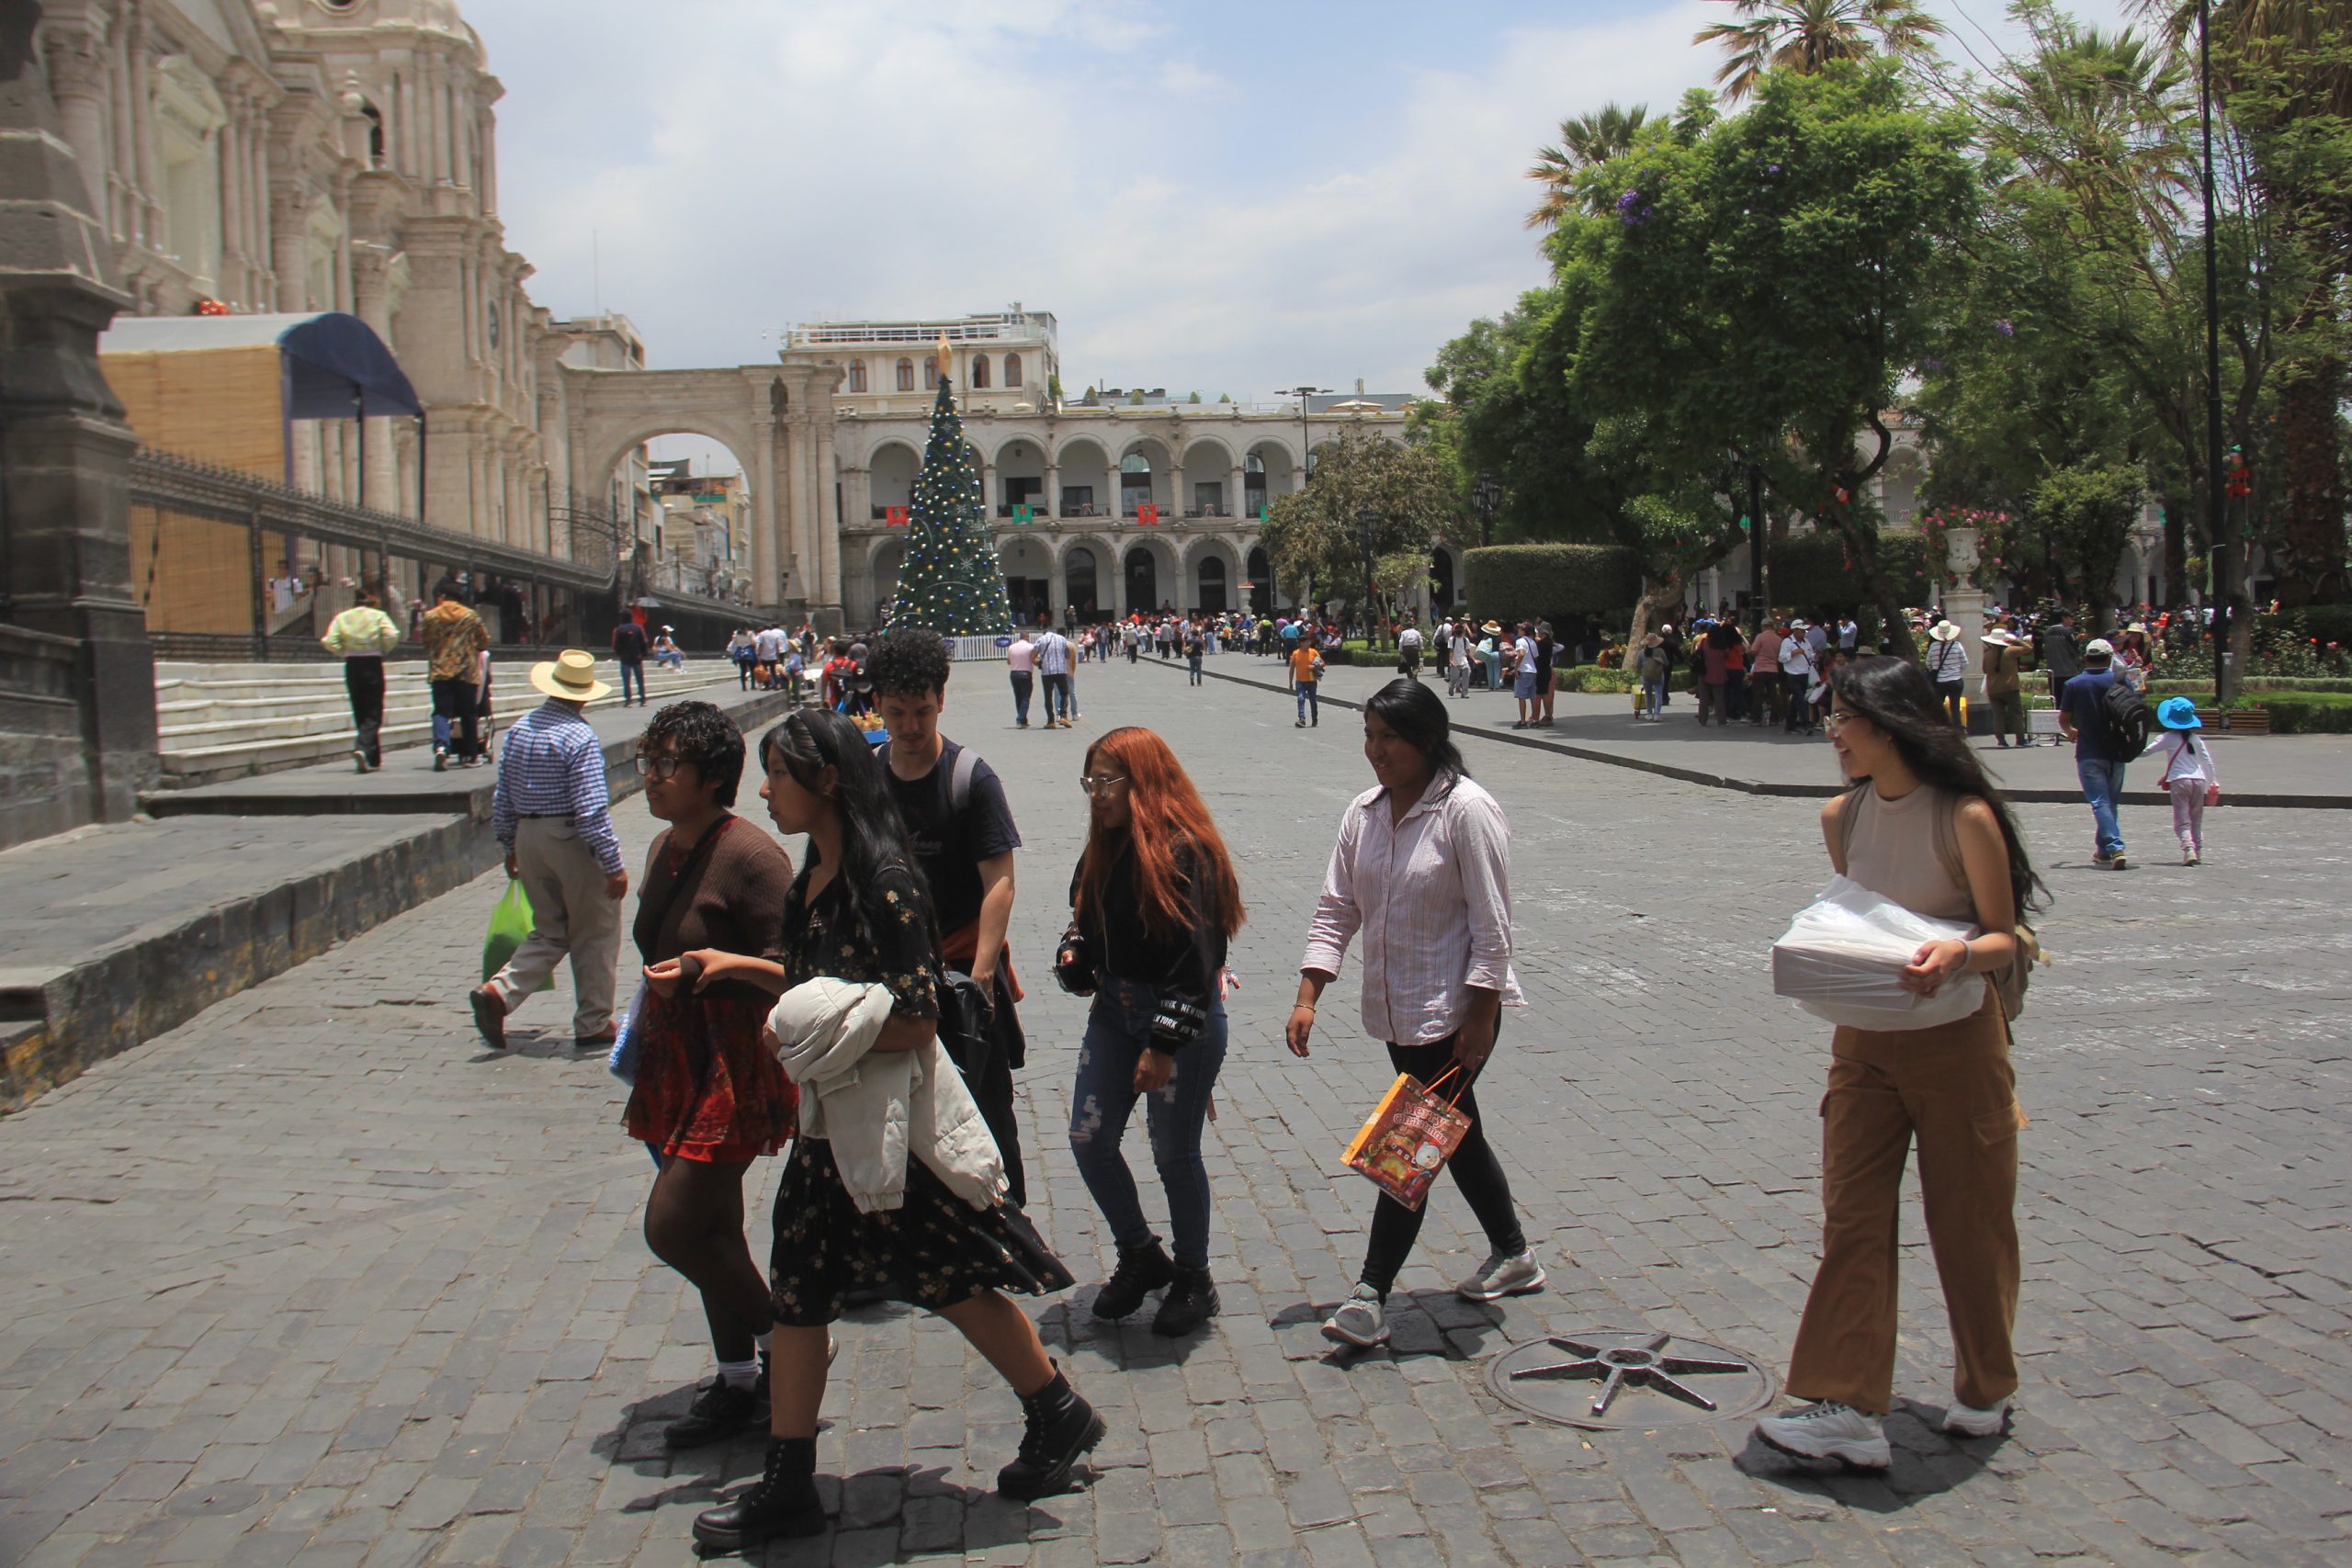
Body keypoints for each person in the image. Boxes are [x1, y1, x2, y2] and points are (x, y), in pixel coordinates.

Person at [686, 710, 1096, 1552]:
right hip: (830, 1126)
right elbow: (815, 982)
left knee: (951, 1277)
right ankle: (790, 1479)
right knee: (800, 1289)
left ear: (826, 780)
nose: (765, 791)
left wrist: (816, 1020)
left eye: (778, 774)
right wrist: (736, 971)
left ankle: (1058, 1410)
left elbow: (918, 1014)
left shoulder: (887, 881)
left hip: (886, 1129)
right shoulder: (811, 880)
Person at [1752, 656, 2042, 1469]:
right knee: (1852, 1217)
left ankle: (1985, 1387)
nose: (1832, 733)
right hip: (1865, 1041)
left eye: (1843, 719)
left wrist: (1956, 953)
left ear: (1889, 724)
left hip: (1958, 1040)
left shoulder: (1966, 816)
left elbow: (2003, 933)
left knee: (1970, 1218)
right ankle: (1847, 1406)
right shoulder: (1841, 818)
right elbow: (1861, 917)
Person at [1289, 680, 1544, 1348]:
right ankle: (1514, 1253)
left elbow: (1493, 925)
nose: (1374, 751)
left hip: (1456, 1015)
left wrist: (1482, 1017)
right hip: (1398, 1015)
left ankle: (1369, 1294)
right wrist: (1309, 993)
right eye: (1368, 737)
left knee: (1408, 1144)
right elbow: (1336, 907)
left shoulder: (1467, 810)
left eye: (1388, 738)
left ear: (1428, 739)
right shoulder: (1364, 813)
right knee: (1456, 1136)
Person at [625, 702, 798, 1449]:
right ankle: (739, 1381)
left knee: (671, 1226)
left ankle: (784, 1342)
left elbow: (800, 971)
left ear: (712, 776)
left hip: (732, 1060)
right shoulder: (666, 847)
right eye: (649, 761)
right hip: (675, 1055)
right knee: (714, 1227)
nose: (652, 777)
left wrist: (712, 966)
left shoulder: (754, 857)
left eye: (667, 765)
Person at [1061, 728, 1244, 1337]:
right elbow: (1083, 921)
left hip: (1180, 1017)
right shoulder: (1103, 848)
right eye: (1091, 782)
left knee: (1172, 1150)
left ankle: (1194, 1274)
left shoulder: (1186, 850)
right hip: (1114, 1011)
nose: (1097, 794)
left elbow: (1199, 961)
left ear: (1143, 782)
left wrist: (1165, 1045)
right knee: (1089, 1136)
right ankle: (1140, 1252)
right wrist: (1076, 954)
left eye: (1107, 781)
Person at [866, 629, 1032, 1206]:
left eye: (922, 711)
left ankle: (1003, 1220)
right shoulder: (866, 778)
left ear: (942, 698)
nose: (910, 727)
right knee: (895, 1111)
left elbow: (1000, 882)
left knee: (983, 1110)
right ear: (878, 705)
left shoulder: (970, 778)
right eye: (895, 713)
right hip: (887, 978)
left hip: (962, 971)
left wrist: (983, 974)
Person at [470, 650, 629, 1052]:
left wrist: (510, 846)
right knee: (595, 929)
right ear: (583, 695)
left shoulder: (521, 729)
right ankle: (593, 1020)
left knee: (550, 928)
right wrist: (613, 865)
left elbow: (502, 796)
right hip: (569, 838)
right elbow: (592, 809)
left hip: (529, 836)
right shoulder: (579, 736)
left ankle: (499, 993)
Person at [2059, 637, 2128, 869]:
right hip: (2117, 750)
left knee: (2099, 802)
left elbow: (2064, 718)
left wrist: (2070, 732)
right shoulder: (2119, 679)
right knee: (2111, 802)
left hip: (2089, 751)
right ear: (2109, 659)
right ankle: (2103, 850)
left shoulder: (2074, 684)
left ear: (2086, 657)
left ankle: (2116, 846)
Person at [322, 589, 402, 773]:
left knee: (359, 708)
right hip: (372, 662)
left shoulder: (342, 617)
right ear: (370, 602)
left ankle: (372, 756)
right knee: (374, 711)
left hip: (352, 663)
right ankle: (362, 747)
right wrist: (383, 649)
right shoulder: (378, 616)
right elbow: (392, 635)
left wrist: (343, 651)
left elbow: (328, 640)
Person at [2143, 696, 2220, 865]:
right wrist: (2212, 781)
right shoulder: (2195, 739)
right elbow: (2207, 761)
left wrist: (2126, 750)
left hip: (2180, 781)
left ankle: (2188, 849)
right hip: (2198, 781)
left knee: (2182, 820)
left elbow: (2146, 751)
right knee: (2196, 818)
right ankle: (2198, 851)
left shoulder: (2168, 737)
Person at [421, 582, 490, 771]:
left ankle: (441, 746)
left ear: (443, 596)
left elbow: (425, 640)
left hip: (440, 672)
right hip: (466, 672)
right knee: (468, 714)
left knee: (441, 711)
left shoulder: (431, 616)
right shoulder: (470, 616)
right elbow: (484, 640)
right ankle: (470, 754)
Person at [1981, 628, 2033, 749]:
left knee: (1998, 716)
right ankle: (2020, 740)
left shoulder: (1987, 654)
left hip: (1993, 688)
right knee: (2016, 714)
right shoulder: (2010, 651)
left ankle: (2001, 741)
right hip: (2010, 687)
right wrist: (2016, 640)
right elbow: (2029, 648)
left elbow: (1984, 670)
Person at [1035, 624, 1074, 729]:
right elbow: (1068, 654)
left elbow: (1033, 655)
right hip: (1060, 670)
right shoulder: (1062, 639)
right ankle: (1063, 716)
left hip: (1047, 672)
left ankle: (1051, 721)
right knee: (1064, 693)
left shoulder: (1041, 639)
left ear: (1045, 632)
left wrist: (1037, 662)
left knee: (1048, 696)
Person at [1780, 626, 1815, 735]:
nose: (1804, 632)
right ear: (1795, 630)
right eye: (1801, 630)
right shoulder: (1787, 642)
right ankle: (1806, 724)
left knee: (1796, 700)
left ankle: (1790, 725)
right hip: (1793, 674)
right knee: (1800, 699)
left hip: (1804, 673)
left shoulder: (1806, 642)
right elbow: (1781, 658)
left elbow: (1810, 655)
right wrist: (1793, 653)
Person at [1749, 618, 1784, 728]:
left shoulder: (1760, 637)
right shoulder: (1778, 639)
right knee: (1773, 695)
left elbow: (1753, 651)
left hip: (1760, 669)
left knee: (1758, 695)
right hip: (1773, 669)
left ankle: (1757, 719)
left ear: (1763, 626)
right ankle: (1774, 719)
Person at [2038, 609, 2082, 691]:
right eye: (2070, 618)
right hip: (2069, 672)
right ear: (2064, 618)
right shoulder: (2067, 631)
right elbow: (2075, 648)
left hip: (2052, 672)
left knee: (2056, 699)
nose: (2072, 621)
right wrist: (2078, 640)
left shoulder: (2047, 632)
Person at [611, 617, 650, 707]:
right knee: (640, 679)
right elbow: (643, 642)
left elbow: (617, 644)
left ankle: (628, 701)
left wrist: (619, 653)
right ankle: (643, 699)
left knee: (626, 680)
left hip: (625, 658)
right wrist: (644, 654)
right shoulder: (638, 628)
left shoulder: (619, 629)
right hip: (637, 657)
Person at [1288, 632, 1322, 728]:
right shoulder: (1295, 654)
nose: (1309, 643)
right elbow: (1291, 669)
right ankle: (1302, 719)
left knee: (1313, 701)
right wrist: (1290, 682)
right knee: (1301, 698)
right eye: (1307, 642)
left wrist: (1315, 666)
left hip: (1312, 680)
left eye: (1309, 642)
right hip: (1300, 681)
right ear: (1301, 643)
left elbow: (1322, 663)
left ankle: (1314, 719)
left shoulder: (1313, 652)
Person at [1510, 622, 1540, 728]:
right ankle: (1535, 719)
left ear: (1524, 631)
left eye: (1520, 629)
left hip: (1523, 670)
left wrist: (1516, 668)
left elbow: (1521, 654)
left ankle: (1523, 721)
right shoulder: (1533, 642)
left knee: (1521, 696)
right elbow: (1536, 657)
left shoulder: (1520, 641)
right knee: (1533, 696)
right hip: (1533, 671)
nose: (1518, 631)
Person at [1005, 628, 1037, 727]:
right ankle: (1020, 719)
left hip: (1014, 673)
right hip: (1025, 673)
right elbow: (1034, 660)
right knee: (1025, 697)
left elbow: (1008, 661)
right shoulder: (1031, 647)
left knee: (1018, 697)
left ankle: (1023, 720)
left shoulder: (1011, 647)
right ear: (1027, 637)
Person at [1446, 621, 1473, 697]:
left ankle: (1464, 693)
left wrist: (1474, 659)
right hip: (1455, 661)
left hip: (1463, 660)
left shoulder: (1465, 640)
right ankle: (1451, 686)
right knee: (1454, 677)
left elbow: (1468, 652)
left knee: (1467, 674)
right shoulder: (1452, 639)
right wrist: (1451, 660)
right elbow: (1451, 651)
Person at [727, 627, 758, 691]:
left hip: (740, 652)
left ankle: (744, 686)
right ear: (746, 628)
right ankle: (753, 685)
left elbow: (734, 642)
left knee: (743, 670)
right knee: (752, 669)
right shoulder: (750, 633)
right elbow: (754, 642)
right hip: (749, 652)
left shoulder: (736, 634)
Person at [1183, 619, 1206, 686]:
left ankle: (1191, 676)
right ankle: (1199, 682)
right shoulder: (1199, 641)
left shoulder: (1189, 640)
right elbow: (1203, 648)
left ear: (1192, 634)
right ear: (1197, 634)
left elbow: (1187, 648)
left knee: (1192, 668)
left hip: (1191, 656)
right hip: (1198, 656)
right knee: (1199, 669)